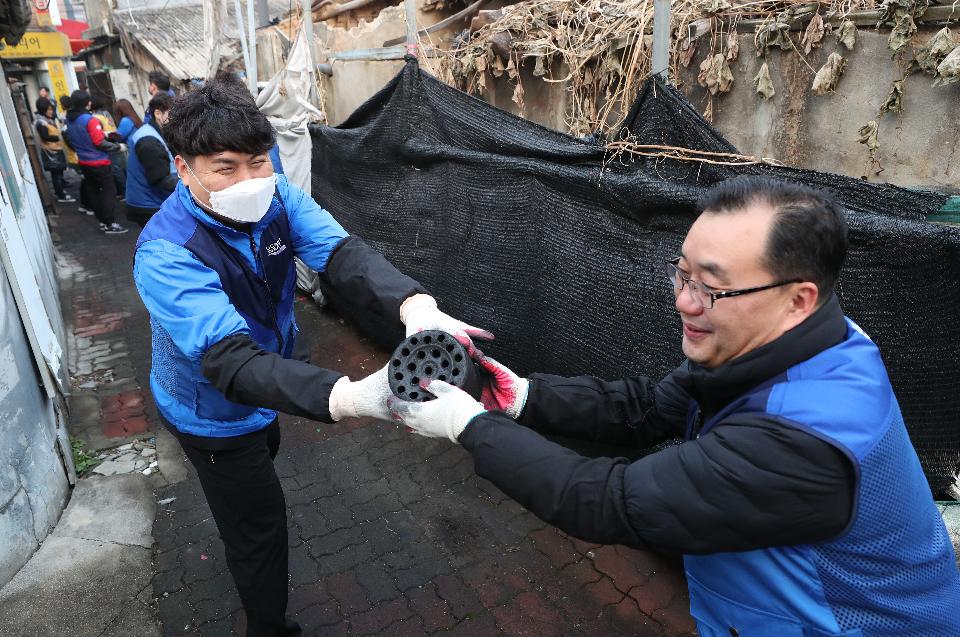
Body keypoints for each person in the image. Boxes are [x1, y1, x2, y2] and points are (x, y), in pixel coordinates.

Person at [390, 175, 960, 637]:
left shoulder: (798, 440)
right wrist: (524, 398)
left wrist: (470, 426)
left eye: (711, 287)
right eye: (682, 272)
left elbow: (607, 501)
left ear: (797, 299)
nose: (684, 301)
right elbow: (645, 407)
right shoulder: (789, 344)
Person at [132, 70, 491, 637]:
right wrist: (346, 397)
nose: (249, 180)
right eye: (226, 168)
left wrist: (415, 306)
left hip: (267, 392)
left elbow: (342, 253)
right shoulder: (165, 252)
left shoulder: (278, 199)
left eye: (259, 161)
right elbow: (230, 362)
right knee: (259, 530)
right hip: (211, 413)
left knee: (264, 459)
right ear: (184, 168)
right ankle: (268, 629)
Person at [62, 90, 128, 233]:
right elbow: (99, 142)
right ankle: (110, 223)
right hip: (99, 162)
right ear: (87, 103)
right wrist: (117, 147)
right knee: (109, 191)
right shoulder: (89, 119)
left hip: (84, 161)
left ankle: (103, 221)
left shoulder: (69, 119)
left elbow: (76, 137)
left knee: (93, 191)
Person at [125, 94, 177, 227]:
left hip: (147, 200)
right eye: (173, 114)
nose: (177, 119)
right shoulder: (148, 141)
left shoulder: (152, 131)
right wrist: (193, 185)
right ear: (158, 113)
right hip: (149, 205)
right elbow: (161, 179)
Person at [34, 98, 74, 203]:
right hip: (50, 152)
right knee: (56, 174)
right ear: (43, 110)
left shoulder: (48, 119)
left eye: (52, 109)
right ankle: (61, 196)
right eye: (49, 110)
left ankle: (61, 192)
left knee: (59, 173)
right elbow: (45, 137)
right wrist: (60, 136)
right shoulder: (41, 121)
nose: (51, 112)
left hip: (55, 149)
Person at [90, 94, 126, 197]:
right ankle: (124, 192)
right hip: (115, 140)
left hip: (108, 143)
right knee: (120, 168)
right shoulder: (106, 113)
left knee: (116, 170)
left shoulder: (95, 117)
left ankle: (124, 193)